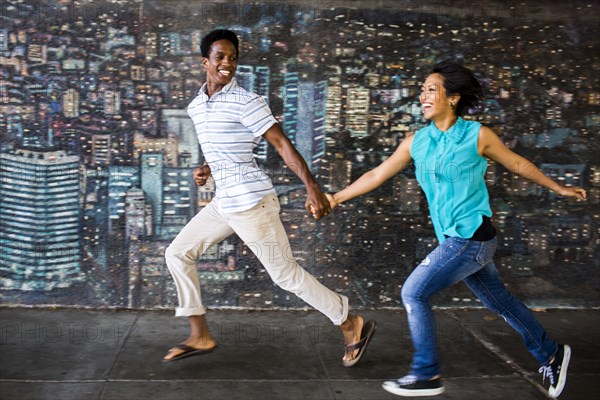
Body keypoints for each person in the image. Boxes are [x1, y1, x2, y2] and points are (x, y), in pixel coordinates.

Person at [326, 60, 585, 397]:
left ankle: (427, 373)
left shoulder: (477, 135)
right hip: (455, 239)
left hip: (471, 237)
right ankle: (551, 353)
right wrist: (335, 198)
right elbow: (376, 174)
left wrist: (559, 188)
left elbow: (518, 163)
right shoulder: (416, 141)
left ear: (453, 98)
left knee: (413, 293)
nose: (422, 96)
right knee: (500, 303)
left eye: (430, 90)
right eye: (421, 90)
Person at [162, 29, 376, 367]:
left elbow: (282, 145)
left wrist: (312, 188)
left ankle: (350, 323)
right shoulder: (196, 106)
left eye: (233, 58)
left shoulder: (246, 101)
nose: (228, 63)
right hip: (225, 202)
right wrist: (206, 168)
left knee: (285, 275)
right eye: (220, 57)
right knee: (177, 253)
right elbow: (221, 148)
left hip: (252, 202)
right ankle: (199, 334)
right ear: (205, 61)